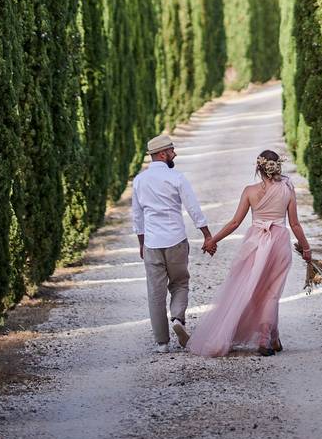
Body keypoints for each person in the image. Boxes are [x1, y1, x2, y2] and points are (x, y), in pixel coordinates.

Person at [187, 150, 312, 357]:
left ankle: (271, 337)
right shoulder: (288, 190)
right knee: (272, 292)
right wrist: (306, 248)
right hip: (279, 241)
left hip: (255, 242)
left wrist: (212, 240)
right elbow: (295, 224)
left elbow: (235, 222)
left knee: (252, 289)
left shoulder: (249, 191)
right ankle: (267, 339)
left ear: (258, 168)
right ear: (277, 167)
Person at [131, 134, 212, 353]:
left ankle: (162, 343)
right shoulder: (176, 177)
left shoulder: (139, 180)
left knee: (155, 293)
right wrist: (206, 234)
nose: (175, 153)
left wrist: (141, 243)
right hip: (175, 240)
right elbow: (193, 208)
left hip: (152, 243)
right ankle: (178, 318)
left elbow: (137, 216)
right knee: (180, 283)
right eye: (172, 150)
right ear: (162, 154)